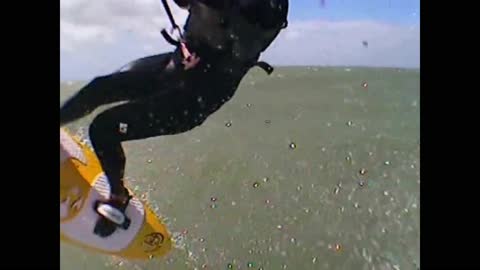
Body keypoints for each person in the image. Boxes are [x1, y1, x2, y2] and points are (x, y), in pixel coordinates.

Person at [60, 0, 289, 237]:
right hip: (173, 68)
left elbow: (243, 39)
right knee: (99, 89)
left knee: (103, 128)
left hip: (192, 101)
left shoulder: (270, 9)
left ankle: (118, 196)